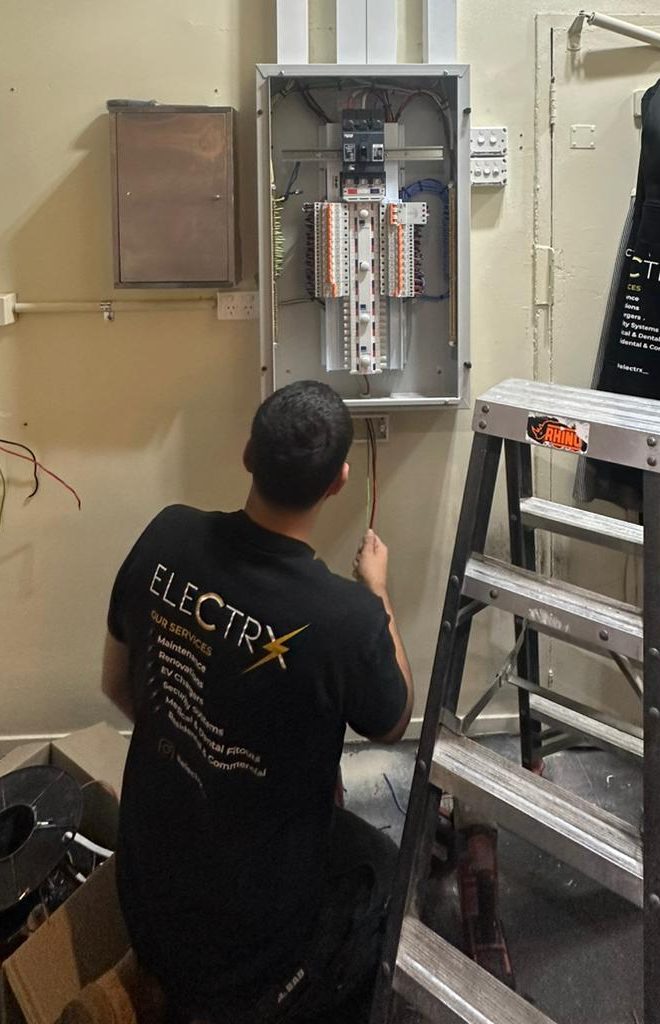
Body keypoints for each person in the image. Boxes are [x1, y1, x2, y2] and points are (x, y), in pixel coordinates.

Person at [102, 380, 413, 1023]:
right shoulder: (347, 617)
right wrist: (377, 591)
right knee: (383, 869)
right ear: (338, 482)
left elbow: (116, 684)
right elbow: (393, 721)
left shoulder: (165, 535)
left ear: (247, 454)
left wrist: (199, 750)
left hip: (141, 896)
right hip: (244, 956)